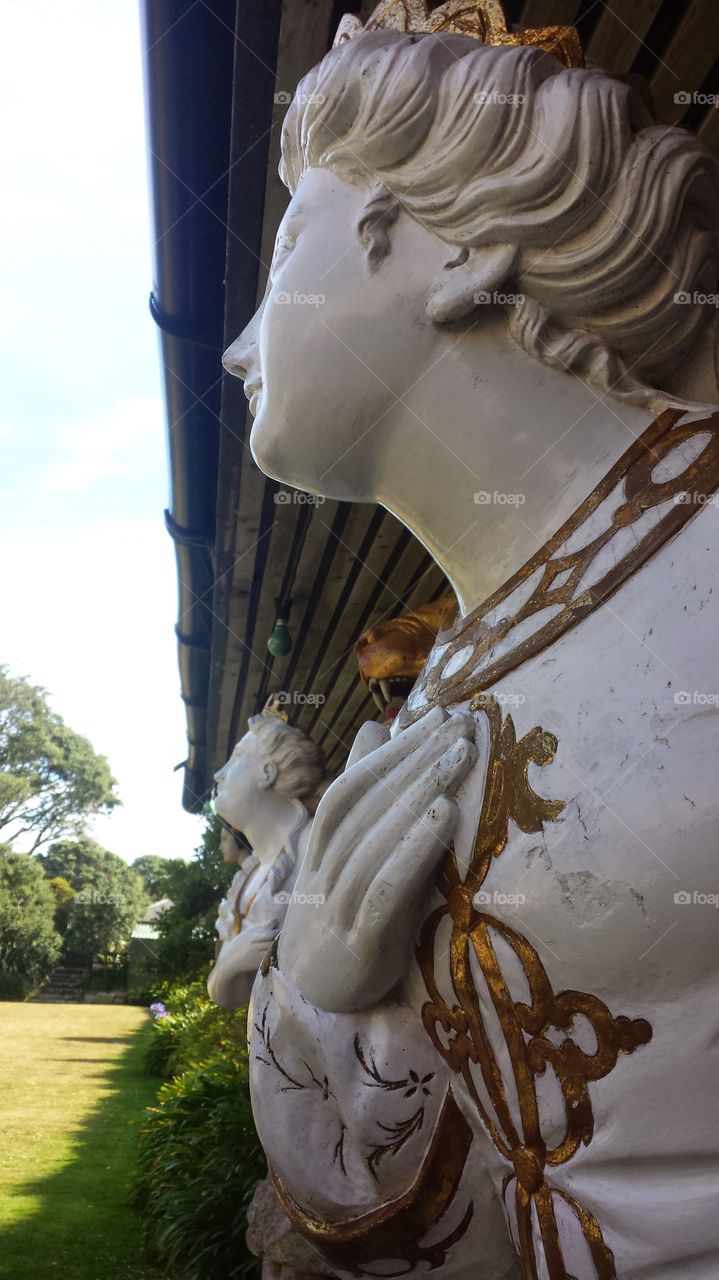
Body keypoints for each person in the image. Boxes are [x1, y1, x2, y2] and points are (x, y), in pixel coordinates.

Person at [222, 10, 719, 1278]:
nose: (235, 347)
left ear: (456, 250)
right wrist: (333, 982)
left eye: (289, 248)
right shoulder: (448, 680)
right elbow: (483, 1191)